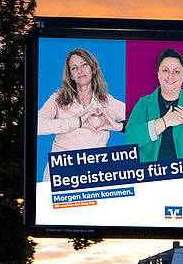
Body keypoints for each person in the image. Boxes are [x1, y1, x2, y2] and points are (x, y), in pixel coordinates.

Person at [37, 48, 126, 176]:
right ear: (71, 76)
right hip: (60, 172)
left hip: (93, 174)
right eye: (74, 68)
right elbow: (36, 126)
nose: (80, 71)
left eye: (84, 64)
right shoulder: (58, 99)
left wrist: (119, 127)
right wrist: (78, 122)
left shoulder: (106, 102)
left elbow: (143, 117)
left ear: (92, 69)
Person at [125, 48, 183, 162]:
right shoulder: (144, 103)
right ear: (158, 74)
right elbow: (128, 140)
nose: (170, 76)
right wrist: (164, 122)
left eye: (176, 71)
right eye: (165, 70)